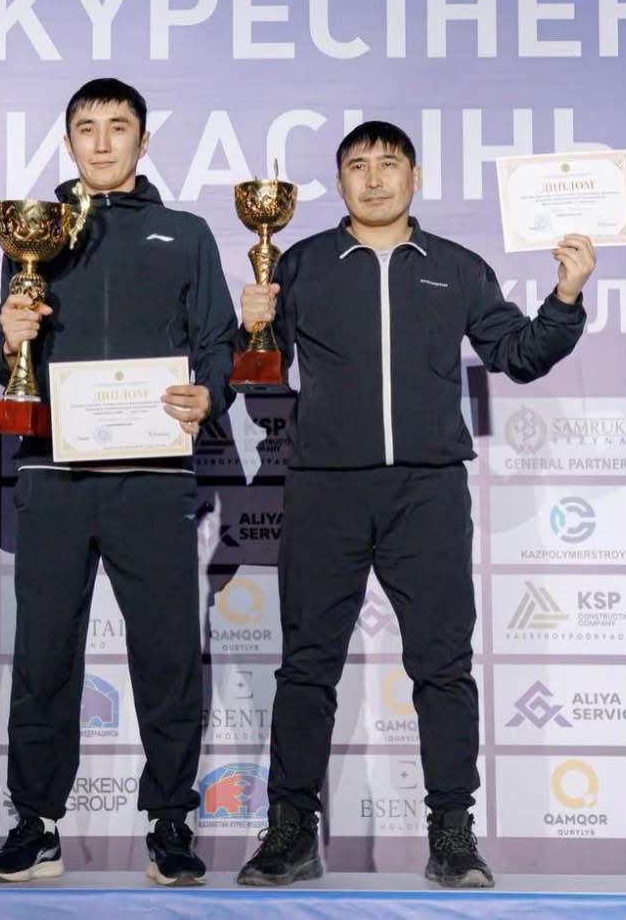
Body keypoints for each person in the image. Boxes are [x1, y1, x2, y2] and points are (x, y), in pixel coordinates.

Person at [234, 121, 596, 889]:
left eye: (388, 164)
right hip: (325, 486)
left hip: (426, 491)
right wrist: (251, 325)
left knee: (442, 666)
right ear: (338, 182)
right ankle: (290, 832)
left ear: (415, 176)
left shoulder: (457, 268)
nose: (373, 179)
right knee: (306, 667)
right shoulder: (298, 264)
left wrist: (564, 296)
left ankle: (451, 835)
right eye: (357, 166)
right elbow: (253, 372)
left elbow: (518, 356)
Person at [0, 78, 236, 887]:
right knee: (43, 657)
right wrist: (5, 338)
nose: (100, 142)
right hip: (52, 470)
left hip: (152, 474)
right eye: (85, 128)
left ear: (142, 141)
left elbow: (218, 341)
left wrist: (210, 392)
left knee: (166, 656)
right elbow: (9, 356)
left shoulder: (184, 233)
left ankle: (170, 821)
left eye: (117, 127)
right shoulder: (34, 230)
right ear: (67, 140)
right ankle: (36, 824)